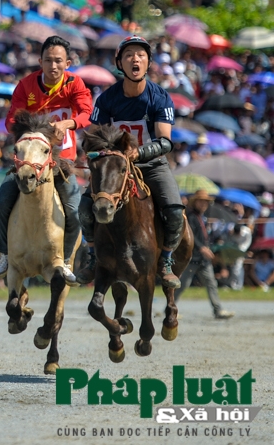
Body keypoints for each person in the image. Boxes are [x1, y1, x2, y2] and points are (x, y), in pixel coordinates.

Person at [75, 36, 183, 288]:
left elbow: (165, 142)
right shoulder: (106, 99)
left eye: (141, 55)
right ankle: (92, 257)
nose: (135, 59)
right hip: (115, 169)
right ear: (119, 63)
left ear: (148, 63)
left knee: (175, 211)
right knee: (84, 207)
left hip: (152, 164)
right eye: (129, 55)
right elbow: (94, 138)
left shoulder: (160, 97)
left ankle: (166, 259)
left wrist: (139, 154)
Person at [0, 35, 91, 284]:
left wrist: (67, 124)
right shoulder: (25, 85)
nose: (53, 66)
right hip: (30, 162)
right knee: (1, 201)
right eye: (48, 60)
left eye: (58, 61)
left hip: (62, 163)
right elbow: (10, 121)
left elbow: (87, 113)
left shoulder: (75, 84)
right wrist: (31, 130)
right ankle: (5, 254)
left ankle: (67, 260)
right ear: (40, 62)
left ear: (68, 63)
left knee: (74, 209)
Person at [174, 190, 234, 319]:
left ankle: (218, 310)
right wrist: (202, 248)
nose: (203, 204)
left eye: (206, 202)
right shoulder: (189, 216)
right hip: (192, 257)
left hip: (203, 259)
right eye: (201, 201)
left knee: (211, 283)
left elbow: (204, 236)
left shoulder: (203, 217)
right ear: (195, 202)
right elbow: (190, 236)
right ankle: (171, 308)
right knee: (183, 284)